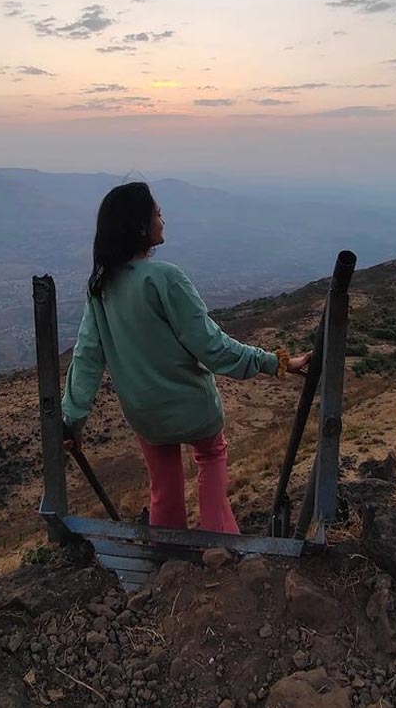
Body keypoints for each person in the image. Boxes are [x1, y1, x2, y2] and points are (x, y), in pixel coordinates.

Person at [61, 181, 311, 534]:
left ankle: (167, 554)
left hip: (145, 414)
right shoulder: (166, 278)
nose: (163, 218)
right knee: (210, 458)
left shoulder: (101, 287)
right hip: (193, 407)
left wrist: (71, 420)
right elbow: (213, 348)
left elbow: (87, 357)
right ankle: (221, 546)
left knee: (163, 486)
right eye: (157, 213)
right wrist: (277, 362)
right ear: (140, 226)